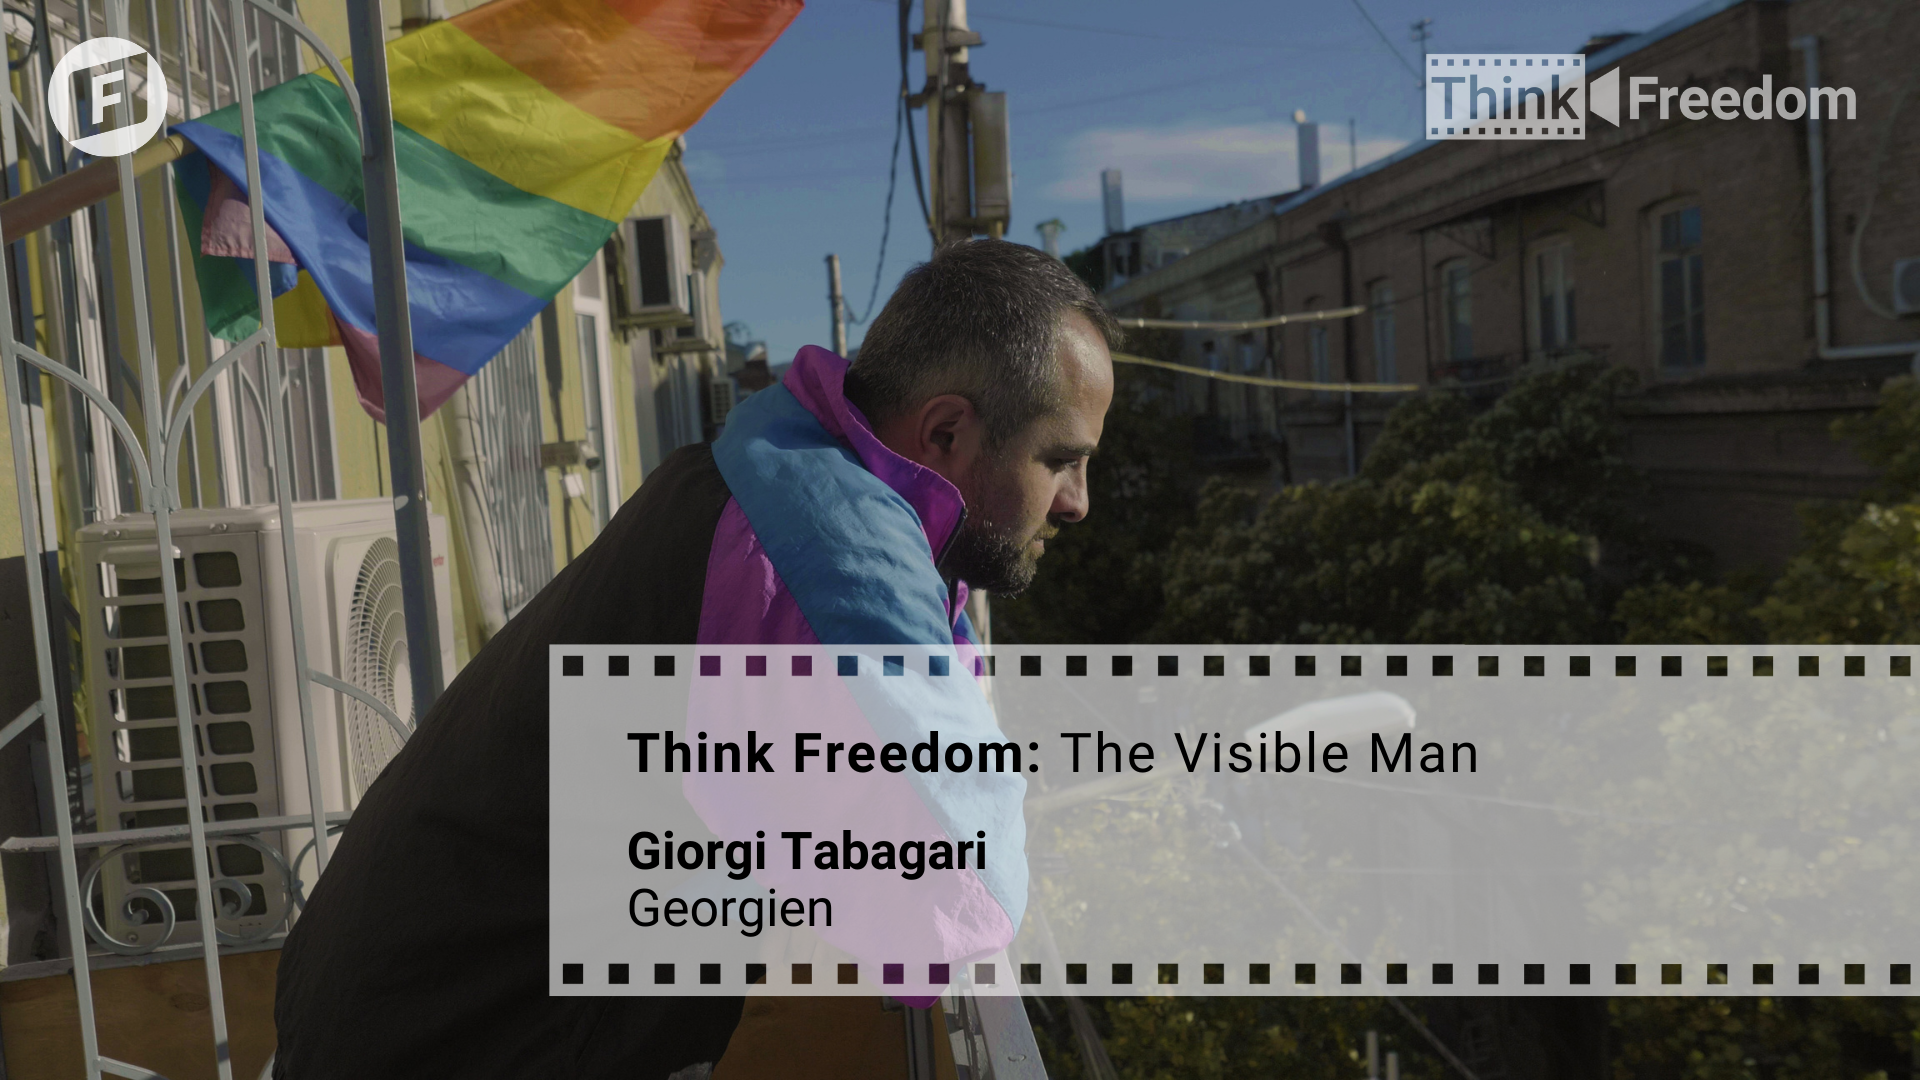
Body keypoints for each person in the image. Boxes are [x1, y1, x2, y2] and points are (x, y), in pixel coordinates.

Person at [271, 238, 1118, 1079]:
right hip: (463, 1041)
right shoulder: (818, 566)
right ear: (944, 431)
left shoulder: (775, 471)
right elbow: (956, 898)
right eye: (1061, 460)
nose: (1078, 503)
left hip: (394, 1009)